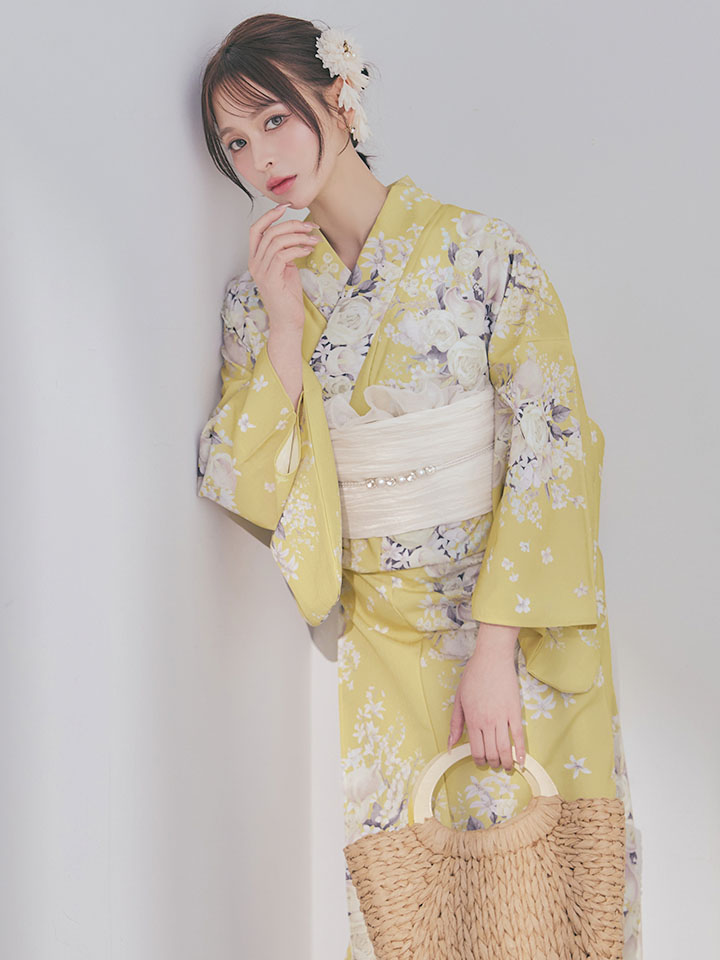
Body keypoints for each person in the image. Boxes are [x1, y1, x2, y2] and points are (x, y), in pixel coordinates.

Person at [196, 13, 643, 960]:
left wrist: (494, 650)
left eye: (274, 120)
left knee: (560, 899)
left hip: (519, 623)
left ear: (340, 98)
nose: (260, 158)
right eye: (234, 143)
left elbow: (555, 442)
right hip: (388, 636)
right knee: (416, 915)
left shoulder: (481, 251)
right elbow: (247, 482)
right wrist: (285, 329)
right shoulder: (261, 297)